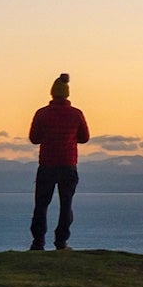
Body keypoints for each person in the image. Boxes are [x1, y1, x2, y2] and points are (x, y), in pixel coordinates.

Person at [26, 72, 89, 250]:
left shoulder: (42, 113)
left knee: (41, 204)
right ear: (67, 93)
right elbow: (84, 138)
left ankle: (38, 242)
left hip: (47, 165)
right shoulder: (76, 114)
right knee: (66, 204)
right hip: (68, 165)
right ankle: (61, 242)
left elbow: (34, 138)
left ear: (52, 93)